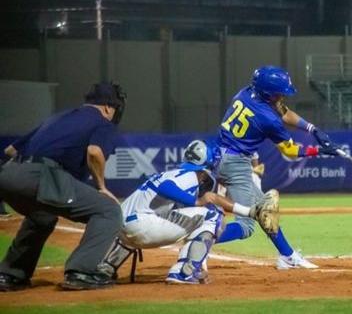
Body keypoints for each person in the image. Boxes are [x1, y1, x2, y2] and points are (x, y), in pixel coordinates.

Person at [0, 82, 126, 291]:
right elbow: (94, 152)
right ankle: (81, 272)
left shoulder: (58, 118)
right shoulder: (104, 123)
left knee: (43, 215)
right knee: (109, 210)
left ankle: (10, 274)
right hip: (42, 175)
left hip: (9, 175)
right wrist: (101, 186)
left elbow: (11, 150)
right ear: (107, 107)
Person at [98, 140, 279, 284]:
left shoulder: (171, 173)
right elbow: (166, 187)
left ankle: (106, 267)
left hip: (121, 230)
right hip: (142, 229)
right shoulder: (190, 177)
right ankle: (184, 272)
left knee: (197, 214)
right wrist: (196, 201)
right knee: (212, 215)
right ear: (204, 168)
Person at [216, 65, 339, 269]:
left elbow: (283, 110)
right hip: (235, 165)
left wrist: (312, 129)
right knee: (246, 226)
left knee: (265, 211)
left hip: (221, 156)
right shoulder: (268, 119)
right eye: (279, 92)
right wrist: (319, 151)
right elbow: (289, 150)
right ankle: (200, 238)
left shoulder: (245, 93)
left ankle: (287, 255)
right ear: (269, 94)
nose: (282, 95)